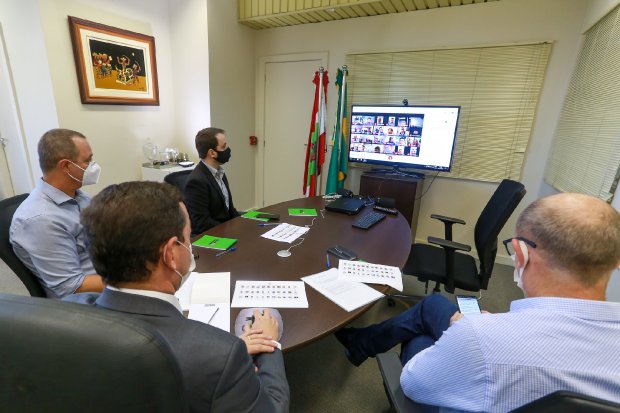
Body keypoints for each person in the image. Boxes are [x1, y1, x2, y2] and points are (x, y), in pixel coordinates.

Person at [336, 193, 620, 411]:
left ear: (521, 255)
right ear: (616, 262)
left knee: (421, 340)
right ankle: (362, 342)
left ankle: (362, 343)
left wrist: (465, 332)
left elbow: (412, 384)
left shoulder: (481, 337)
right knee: (433, 305)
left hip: (463, 379)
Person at [65, 181, 289, 412]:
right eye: (188, 238)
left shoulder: (64, 315)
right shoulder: (221, 354)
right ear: (171, 254)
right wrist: (270, 344)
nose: (190, 246)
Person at [10, 128, 104, 298]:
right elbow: (71, 286)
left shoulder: (79, 197)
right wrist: (136, 282)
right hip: (89, 304)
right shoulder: (40, 219)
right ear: (66, 166)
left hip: (108, 274)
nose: (93, 166)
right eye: (87, 161)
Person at [184, 127, 240, 236]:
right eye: (224, 146)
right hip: (210, 236)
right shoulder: (196, 181)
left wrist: (245, 222)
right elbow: (202, 223)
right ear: (212, 153)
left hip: (224, 229)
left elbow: (229, 209)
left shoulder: (219, 172)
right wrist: (230, 230)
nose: (228, 149)